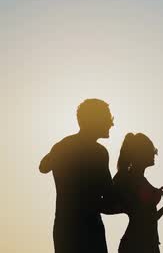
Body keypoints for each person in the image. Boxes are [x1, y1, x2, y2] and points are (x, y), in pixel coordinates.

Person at [39, 98, 118, 253]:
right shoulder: (99, 153)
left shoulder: (62, 146)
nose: (111, 124)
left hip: (64, 228)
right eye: (108, 119)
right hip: (89, 229)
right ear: (95, 121)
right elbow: (109, 196)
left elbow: (43, 167)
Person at [113, 133, 163, 253]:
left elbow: (149, 219)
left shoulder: (138, 178)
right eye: (150, 150)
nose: (154, 154)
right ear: (140, 153)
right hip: (136, 244)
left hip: (150, 244)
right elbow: (139, 217)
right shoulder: (127, 178)